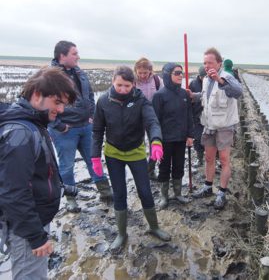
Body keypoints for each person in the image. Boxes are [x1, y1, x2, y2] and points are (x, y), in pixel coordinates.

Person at [0, 67, 77, 279]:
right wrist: (36, 237)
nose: (61, 110)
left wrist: (60, 187)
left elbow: (36, 173)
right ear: (36, 95)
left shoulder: (34, 123)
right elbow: (14, 191)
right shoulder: (21, 133)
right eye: (57, 102)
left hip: (33, 218)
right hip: (26, 227)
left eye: (63, 104)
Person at [91, 66, 170, 252]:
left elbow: (152, 122)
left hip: (136, 152)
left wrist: (156, 141)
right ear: (113, 81)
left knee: (145, 191)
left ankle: (154, 226)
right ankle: (121, 233)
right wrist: (94, 156)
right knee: (119, 193)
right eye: (119, 85)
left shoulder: (140, 99)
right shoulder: (103, 101)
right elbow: (96, 131)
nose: (123, 90)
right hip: (113, 154)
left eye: (127, 86)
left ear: (133, 84)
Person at [49, 40, 112, 213]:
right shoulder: (50, 76)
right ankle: (71, 199)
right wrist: (59, 125)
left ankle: (106, 192)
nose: (78, 56)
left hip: (85, 126)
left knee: (94, 159)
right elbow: (43, 105)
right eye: (74, 53)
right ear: (62, 56)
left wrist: (91, 116)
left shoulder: (78, 71)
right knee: (67, 166)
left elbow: (89, 95)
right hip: (65, 131)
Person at [191, 48, 243, 210]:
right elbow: (207, 96)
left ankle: (222, 192)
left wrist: (220, 80)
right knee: (208, 158)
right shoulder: (206, 79)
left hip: (225, 126)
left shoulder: (228, 77)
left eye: (210, 62)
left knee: (225, 160)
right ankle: (208, 186)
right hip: (209, 124)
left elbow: (238, 92)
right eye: (204, 63)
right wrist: (194, 96)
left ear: (219, 63)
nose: (206, 66)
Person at [152, 63, 194, 209]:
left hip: (181, 138)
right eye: (177, 73)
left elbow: (189, 115)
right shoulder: (159, 96)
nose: (180, 75)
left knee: (179, 166)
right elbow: (154, 121)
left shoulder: (184, 94)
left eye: (181, 73)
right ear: (168, 74)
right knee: (164, 167)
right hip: (165, 139)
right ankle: (164, 196)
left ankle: (178, 193)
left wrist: (190, 135)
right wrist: (155, 140)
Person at [134, 57, 164, 180]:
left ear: (150, 71)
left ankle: (150, 171)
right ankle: (139, 171)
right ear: (135, 71)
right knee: (137, 145)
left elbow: (163, 97)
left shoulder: (157, 81)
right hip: (136, 119)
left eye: (145, 73)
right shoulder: (133, 82)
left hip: (153, 118)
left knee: (155, 143)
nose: (142, 75)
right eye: (139, 73)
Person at [189, 66, 207, 166]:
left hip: (210, 116)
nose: (205, 78)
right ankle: (200, 159)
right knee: (198, 138)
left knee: (211, 138)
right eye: (203, 76)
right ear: (199, 76)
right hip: (197, 116)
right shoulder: (193, 84)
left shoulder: (212, 82)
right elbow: (189, 100)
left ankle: (213, 159)